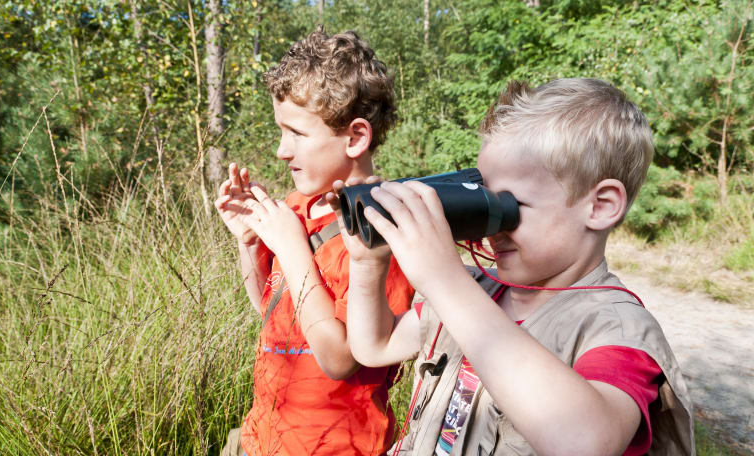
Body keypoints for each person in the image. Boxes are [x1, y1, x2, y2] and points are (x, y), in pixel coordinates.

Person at [331, 79, 694, 455]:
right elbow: (374, 346)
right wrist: (367, 263)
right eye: (484, 199)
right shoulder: (479, 290)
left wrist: (445, 281)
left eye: (507, 206)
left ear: (600, 206)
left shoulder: (617, 328)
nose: (492, 226)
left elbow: (585, 442)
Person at [215, 28, 414, 456]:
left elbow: (340, 359)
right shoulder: (300, 208)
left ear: (356, 137)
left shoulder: (383, 232)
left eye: (297, 134)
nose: (281, 151)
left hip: (334, 446)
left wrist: (290, 248)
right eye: (280, 131)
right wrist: (250, 244)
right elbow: (273, 312)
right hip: (262, 436)